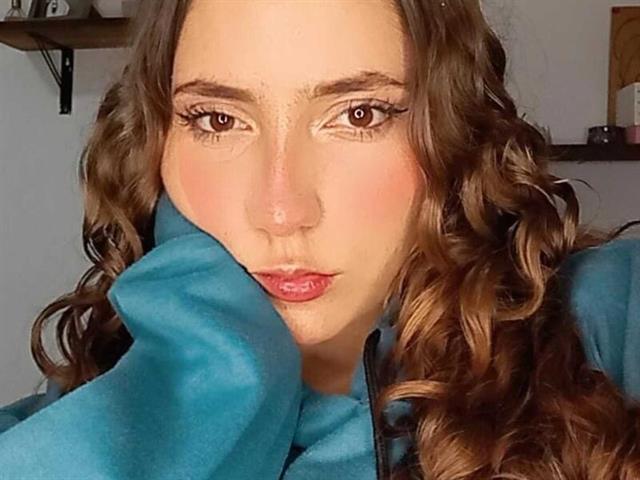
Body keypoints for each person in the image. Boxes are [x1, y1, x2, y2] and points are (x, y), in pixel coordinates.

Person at [1, 0, 639, 478]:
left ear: (452, 133)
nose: (282, 211)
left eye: (359, 114)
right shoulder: (77, 416)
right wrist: (202, 390)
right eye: (218, 119)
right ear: (157, 143)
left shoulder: (600, 326)